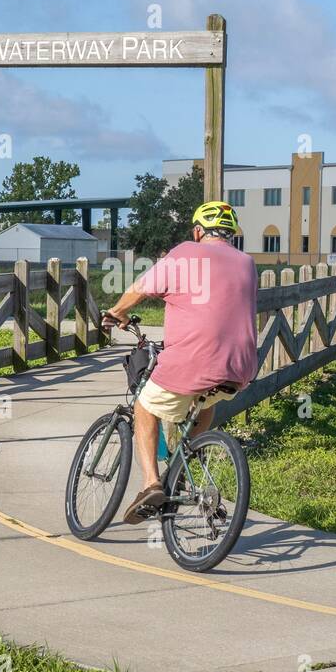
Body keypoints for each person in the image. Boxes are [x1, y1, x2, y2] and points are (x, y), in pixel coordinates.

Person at [104, 200, 258, 524]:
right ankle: (187, 458)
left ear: (198, 231)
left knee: (145, 407)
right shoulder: (246, 263)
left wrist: (117, 312)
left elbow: (140, 289)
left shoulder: (186, 252)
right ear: (230, 233)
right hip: (240, 365)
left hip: (195, 358)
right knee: (205, 396)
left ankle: (151, 484)